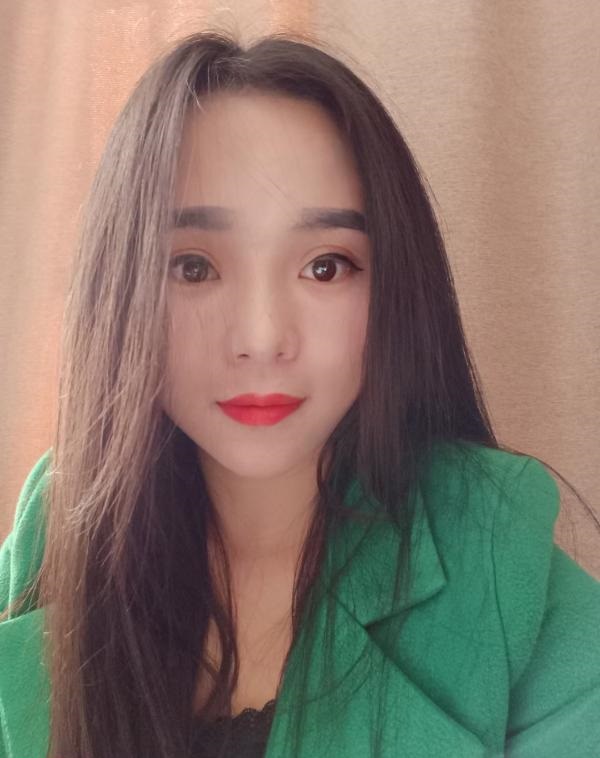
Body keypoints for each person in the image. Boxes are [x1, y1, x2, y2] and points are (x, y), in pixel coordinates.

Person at [0, 29, 599, 758]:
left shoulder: (496, 558)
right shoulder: (63, 526)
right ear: (118, 286)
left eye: (325, 267)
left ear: (395, 287)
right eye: (193, 267)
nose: (261, 337)